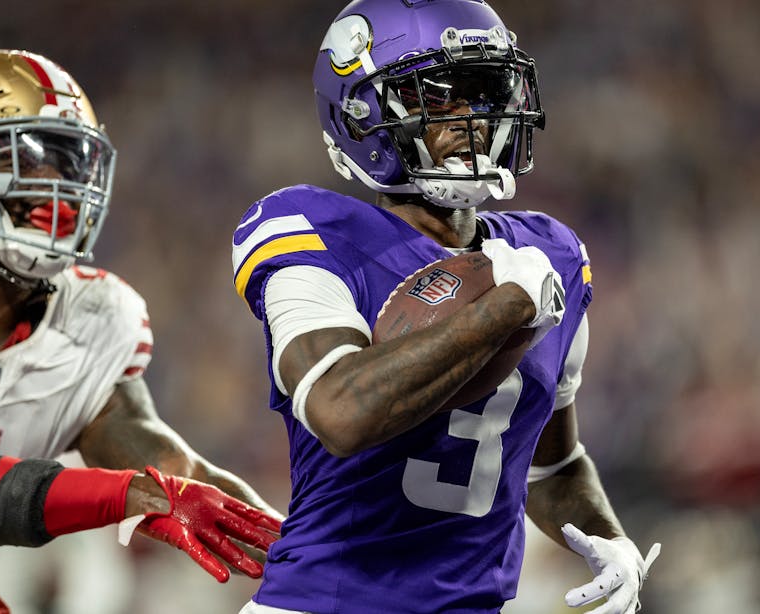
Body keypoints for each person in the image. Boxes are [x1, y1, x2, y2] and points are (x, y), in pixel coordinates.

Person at [231, 1, 659, 613]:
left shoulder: (550, 254)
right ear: (363, 111)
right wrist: (503, 309)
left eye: (484, 93)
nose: (472, 119)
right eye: (438, 96)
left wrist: (612, 541)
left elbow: (553, 464)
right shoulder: (314, 234)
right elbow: (342, 412)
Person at [0, 48, 282, 613]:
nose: (59, 184)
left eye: (69, 161)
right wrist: (137, 497)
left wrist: (317, 561)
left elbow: (179, 476)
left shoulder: (90, 316)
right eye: (26, 157)